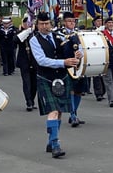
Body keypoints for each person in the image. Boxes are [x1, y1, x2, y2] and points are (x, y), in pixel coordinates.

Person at [29, 12, 81, 158]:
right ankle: (56, 144)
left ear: (51, 24)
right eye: (41, 24)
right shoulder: (34, 40)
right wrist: (63, 62)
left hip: (62, 77)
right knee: (53, 111)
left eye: (47, 24)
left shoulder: (60, 36)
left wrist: (77, 55)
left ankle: (50, 141)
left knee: (58, 112)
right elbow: (42, 60)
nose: (44, 27)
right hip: (46, 78)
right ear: (37, 25)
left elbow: (71, 50)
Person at [60, 11, 86, 127]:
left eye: (73, 21)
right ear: (64, 22)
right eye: (69, 21)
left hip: (79, 65)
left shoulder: (79, 34)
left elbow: (85, 48)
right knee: (70, 90)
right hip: (67, 64)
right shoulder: (60, 34)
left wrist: (82, 53)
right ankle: (72, 115)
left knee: (79, 91)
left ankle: (75, 112)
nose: (72, 23)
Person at [14, 17, 37, 111]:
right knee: (27, 82)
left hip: (35, 61)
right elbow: (15, 40)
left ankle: (32, 99)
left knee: (34, 83)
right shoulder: (20, 33)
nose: (29, 24)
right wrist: (26, 31)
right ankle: (28, 102)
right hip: (24, 61)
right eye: (26, 23)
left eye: (30, 23)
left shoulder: (36, 33)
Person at [91, 16, 106, 101]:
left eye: (101, 21)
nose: (99, 23)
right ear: (94, 22)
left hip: (103, 54)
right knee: (96, 75)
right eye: (98, 21)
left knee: (103, 74)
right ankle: (98, 93)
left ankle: (103, 91)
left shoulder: (104, 31)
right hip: (95, 54)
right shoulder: (92, 30)